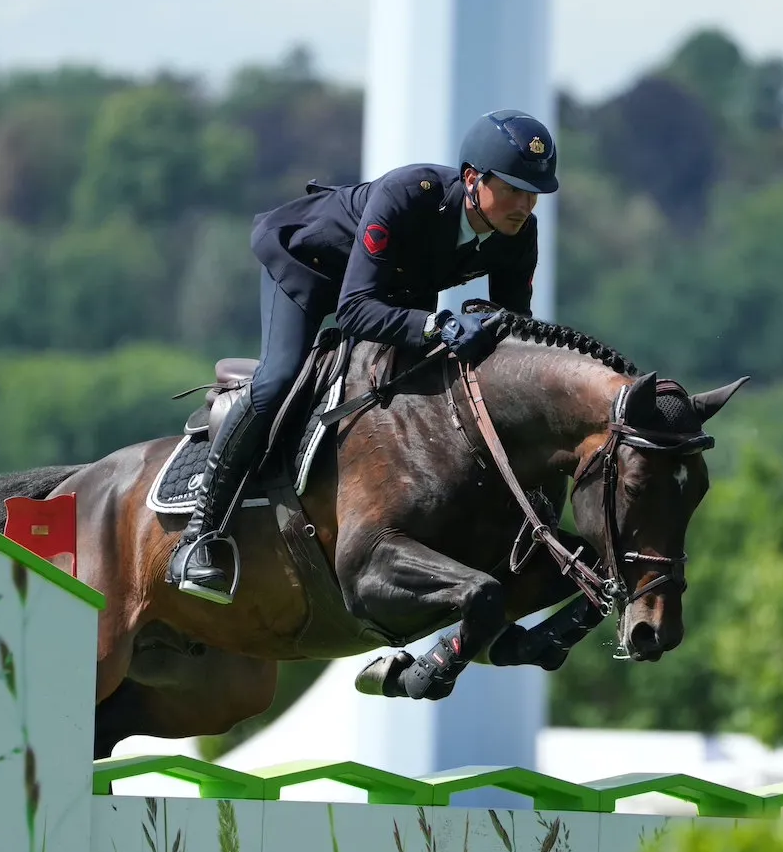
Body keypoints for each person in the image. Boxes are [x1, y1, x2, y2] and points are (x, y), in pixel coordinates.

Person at [169, 108, 560, 603]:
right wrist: (437, 324)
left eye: (534, 194)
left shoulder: (517, 234)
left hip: (395, 285)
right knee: (279, 379)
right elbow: (354, 309)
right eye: (515, 188)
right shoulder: (408, 195)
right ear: (471, 179)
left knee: (410, 386)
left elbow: (512, 328)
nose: (526, 205)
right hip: (309, 266)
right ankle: (199, 537)